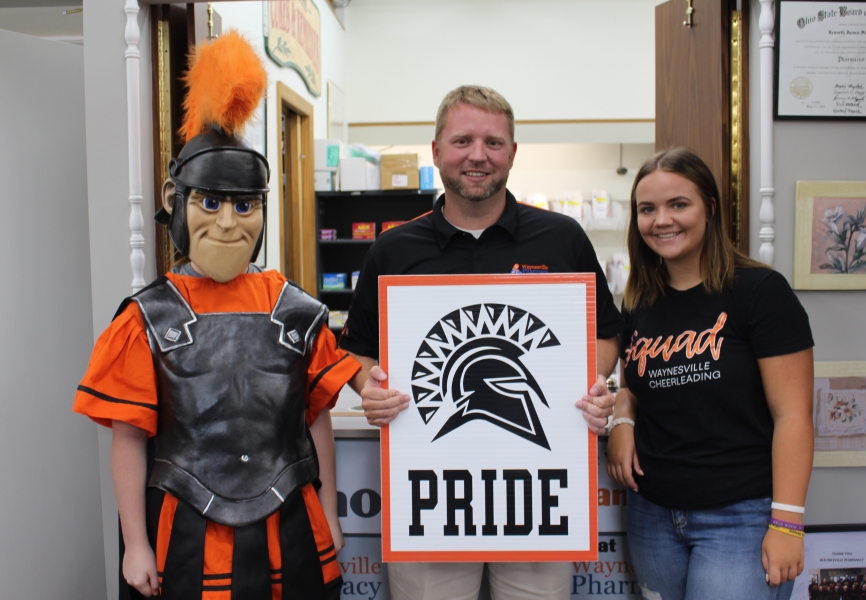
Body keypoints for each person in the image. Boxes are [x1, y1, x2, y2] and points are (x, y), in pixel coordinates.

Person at [73, 32, 362, 599]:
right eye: (210, 201)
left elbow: (315, 419)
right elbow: (130, 439)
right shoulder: (146, 318)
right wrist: (135, 543)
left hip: (291, 527)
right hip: (184, 531)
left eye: (243, 203)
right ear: (176, 199)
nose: (228, 222)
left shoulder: (295, 309)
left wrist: (329, 513)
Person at [339, 85, 624, 600]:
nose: (477, 155)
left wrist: (591, 379)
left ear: (512, 153)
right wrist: (368, 385)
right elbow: (357, 349)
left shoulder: (562, 238)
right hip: (430, 499)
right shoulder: (393, 249)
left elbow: (605, 332)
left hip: (538, 499)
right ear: (436, 152)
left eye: (493, 142)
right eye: (462, 141)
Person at [606, 147, 814, 599]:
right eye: (648, 209)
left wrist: (787, 522)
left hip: (740, 515)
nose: (662, 220)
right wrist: (623, 416)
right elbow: (636, 384)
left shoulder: (759, 292)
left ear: (710, 209)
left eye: (678, 204)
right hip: (652, 513)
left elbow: (794, 417)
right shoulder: (639, 300)